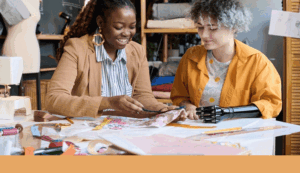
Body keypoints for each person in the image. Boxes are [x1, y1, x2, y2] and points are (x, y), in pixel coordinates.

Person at [46, 0, 178, 118]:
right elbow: (54, 100)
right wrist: (107, 102)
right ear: (100, 23)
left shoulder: (137, 51)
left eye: (132, 27)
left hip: (124, 130)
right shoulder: (77, 48)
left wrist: (163, 110)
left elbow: (142, 96)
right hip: (88, 132)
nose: (127, 33)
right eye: (119, 27)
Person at [171, 0, 282, 120]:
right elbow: (179, 96)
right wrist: (188, 107)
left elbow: (271, 104)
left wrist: (229, 113)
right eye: (200, 27)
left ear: (233, 27)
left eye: (213, 28)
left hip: (239, 134)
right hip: (197, 131)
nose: (204, 35)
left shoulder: (257, 62)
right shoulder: (190, 57)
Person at [2, 0, 40, 74]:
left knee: (35, 83)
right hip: (14, 48)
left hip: (33, 50)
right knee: (10, 82)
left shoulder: (37, 1)